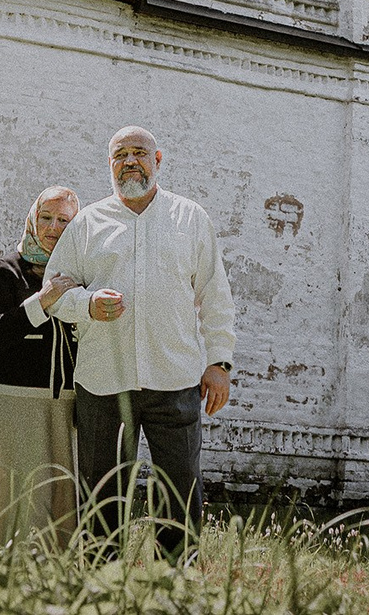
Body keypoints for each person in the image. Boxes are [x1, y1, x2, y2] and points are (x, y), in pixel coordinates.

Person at [41, 126, 235, 554]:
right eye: (120, 154)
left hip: (175, 380)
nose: (130, 161)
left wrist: (219, 362)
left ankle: (175, 585)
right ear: (109, 164)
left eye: (139, 153)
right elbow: (52, 293)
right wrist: (87, 304)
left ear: (158, 159)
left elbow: (215, 294)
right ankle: (101, 584)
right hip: (103, 382)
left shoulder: (191, 218)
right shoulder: (87, 223)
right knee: (102, 494)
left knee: (179, 494)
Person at [0, 186, 83, 540]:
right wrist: (43, 300)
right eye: (46, 217)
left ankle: (45, 568)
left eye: (63, 220)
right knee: (0, 487)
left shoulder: (81, 274)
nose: (53, 227)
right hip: (6, 400)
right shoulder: (8, 267)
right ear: (32, 219)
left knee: (52, 489)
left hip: (59, 404)